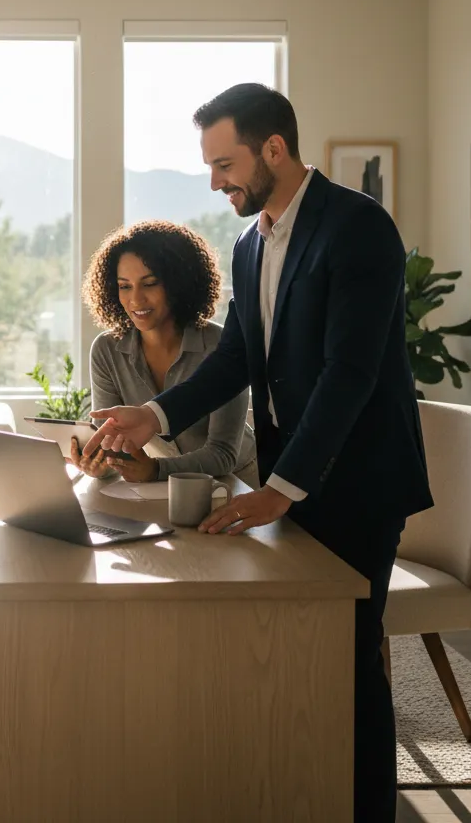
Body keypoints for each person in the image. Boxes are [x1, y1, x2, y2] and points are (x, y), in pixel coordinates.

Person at [84, 82, 432, 823]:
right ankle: (292, 786)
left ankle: (368, 810)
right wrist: (151, 414)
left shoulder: (358, 227)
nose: (214, 182)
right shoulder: (250, 244)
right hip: (293, 476)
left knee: (348, 654)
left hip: (358, 478)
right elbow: (237, 357)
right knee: (293, 646)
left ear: (274, 148)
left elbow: (351, 374)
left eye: (224, 163)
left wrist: (282, 486)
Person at [71, 220, 257, 484]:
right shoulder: (106, 350)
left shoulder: (223, 347)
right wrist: (102, 464)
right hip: (162, 489)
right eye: (124, 286)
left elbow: (223, 455)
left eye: (150, 283)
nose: (136, 299)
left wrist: (156, 471)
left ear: (178, 284)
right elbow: (115, 447)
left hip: (238, 483)